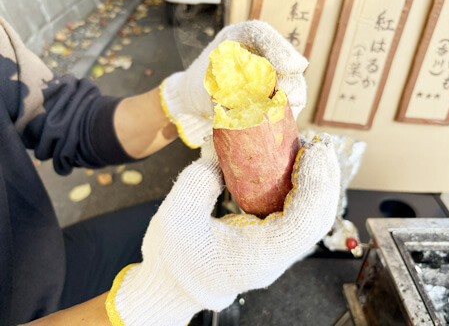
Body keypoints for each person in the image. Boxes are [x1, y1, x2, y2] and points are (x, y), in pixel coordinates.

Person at [1, 17, 343, 325]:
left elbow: (65, 119)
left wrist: (179, 99)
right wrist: (157, 299)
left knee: (174, 233)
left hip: (45, 257)